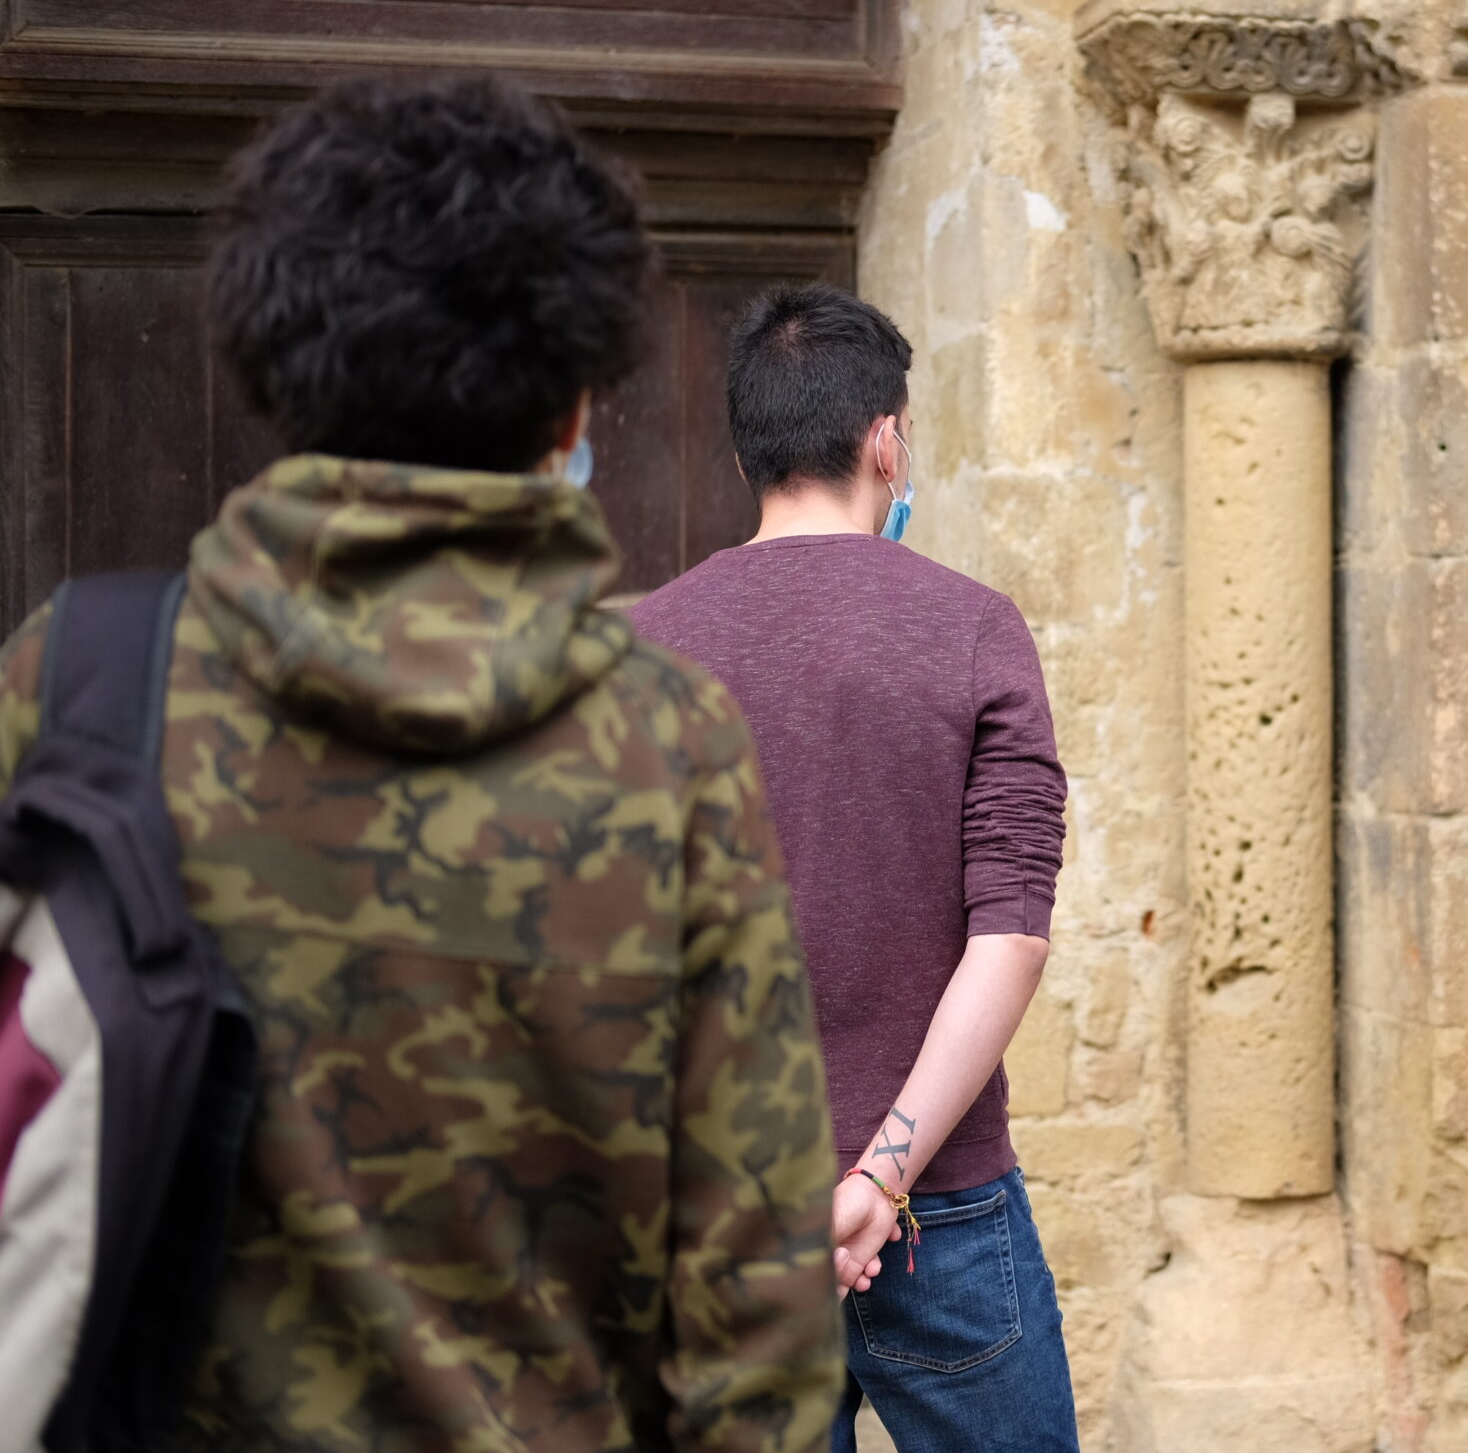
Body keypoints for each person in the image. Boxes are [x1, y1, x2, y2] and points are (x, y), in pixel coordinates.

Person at [0, 75, 843, 1447]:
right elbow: (758, 1296)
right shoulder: (669, 742)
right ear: (576, 410)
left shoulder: (82, 681)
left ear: (276, 364)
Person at [629, 286, 1076, 1453]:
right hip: (941, 1209)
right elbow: (1010, 936)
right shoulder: (975, 627)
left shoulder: (636, 650)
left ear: (747, 450)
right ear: (885, 438)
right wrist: (878, 1180)